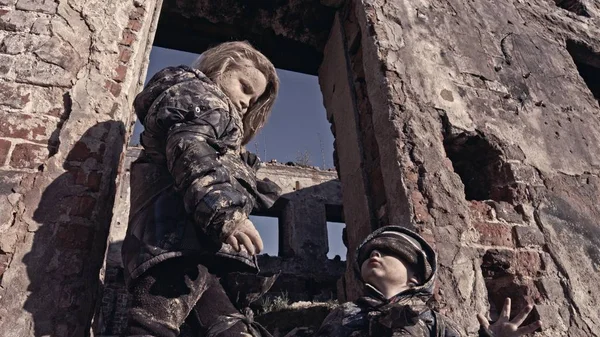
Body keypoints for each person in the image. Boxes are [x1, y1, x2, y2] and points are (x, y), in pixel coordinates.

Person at [121, 41, 281, 337]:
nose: (247, 102)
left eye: (254, 99)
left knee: (230, 328)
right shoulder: (202, 100)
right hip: (172, 247)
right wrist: (228, 212)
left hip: (198, 251)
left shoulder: (211, 117)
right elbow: (192, 152)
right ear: (219, 69)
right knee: (152, 326)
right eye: (245, 87)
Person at [312, 226, 542, 337]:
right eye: (369, 253)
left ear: (416, 276)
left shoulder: (434, 321)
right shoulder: (345, 313)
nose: (375, 255)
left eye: (390, 252)